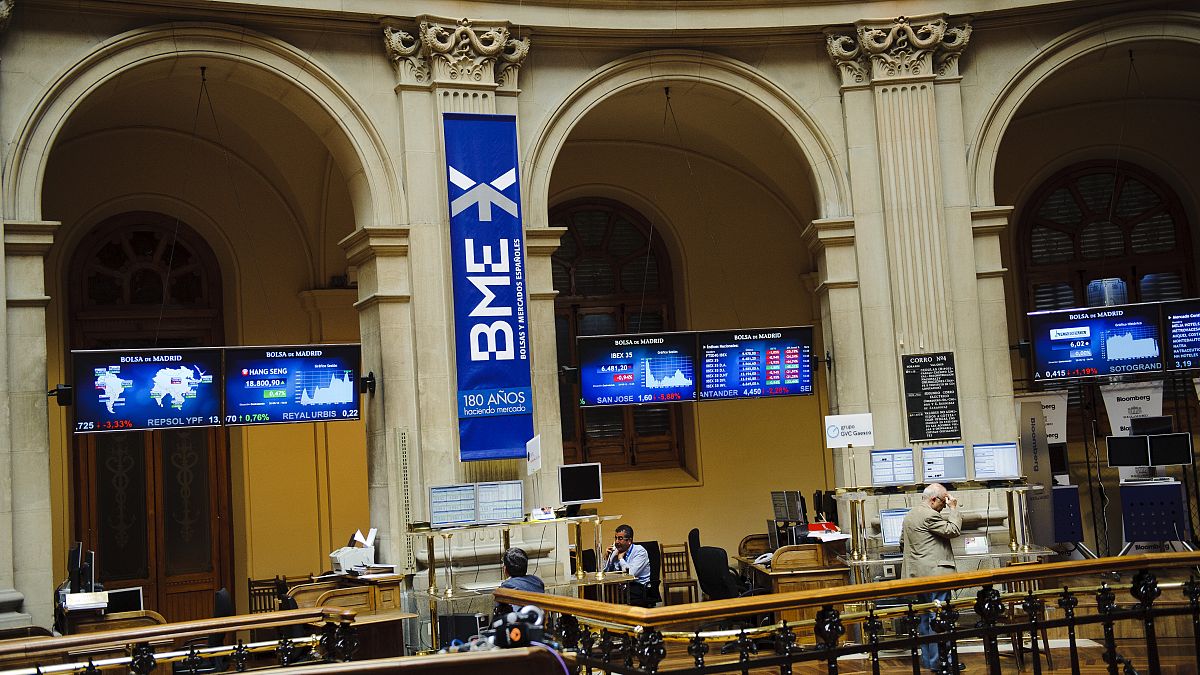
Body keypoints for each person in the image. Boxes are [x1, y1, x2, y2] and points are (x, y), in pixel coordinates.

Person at [901, 483, 964, 673]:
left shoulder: (910, 515)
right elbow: (953, 530)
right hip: (935, 576)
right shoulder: (929, 515)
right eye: (944, 501)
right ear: (933, 499)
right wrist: (954, 508)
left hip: (918, 577)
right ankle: (940, 662)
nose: (944, 505)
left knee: (925, 618)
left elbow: (902, 542)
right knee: (939, 618)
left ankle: (929, 660)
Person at [603, 524, 654, 607]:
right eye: (615, 538)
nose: (616, 542)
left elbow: (630, 574)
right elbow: (605, 573)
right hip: (622, 587)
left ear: (629, 540)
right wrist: (607, 558)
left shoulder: (640, 551)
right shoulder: (615, 551)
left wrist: (620, 559)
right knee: (603, 592)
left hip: (638, 587)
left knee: (615, 597)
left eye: (620, 538)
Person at [493, 547, 544, 620]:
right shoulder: (537, 581)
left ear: (505, 569)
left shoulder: (507, 586)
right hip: (540, 620)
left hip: (521, 623)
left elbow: (498, 613)